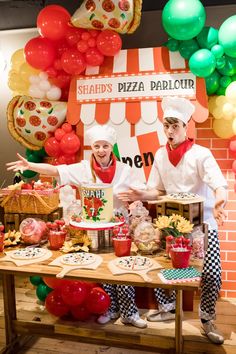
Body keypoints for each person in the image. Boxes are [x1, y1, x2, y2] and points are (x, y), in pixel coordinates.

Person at [6, 124, 147, 329]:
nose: (101, 150)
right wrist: (31, 166)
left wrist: (137, 196)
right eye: (97, 146)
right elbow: (55, 170)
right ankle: (112, 308)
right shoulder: (82, 169)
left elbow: (145, 192)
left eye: (105, 146)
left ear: (111, 147)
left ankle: (130, 313)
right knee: (103, 271)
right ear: (92, 147)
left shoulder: (126, 170)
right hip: (92, 228)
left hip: (119, 228)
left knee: (121, 270)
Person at [118, 96, 227, 344]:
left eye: (174, 125)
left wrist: (220, 200)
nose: (169, 131)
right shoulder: (159, 154)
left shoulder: (201, 154)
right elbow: (156, 191)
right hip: (171, 225)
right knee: (163, 271)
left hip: (202, 225)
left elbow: (218, 183)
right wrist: (139, 193)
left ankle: (207, 319)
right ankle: (167, 309)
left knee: (211, 274)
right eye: (166, 125)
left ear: (185, 127)